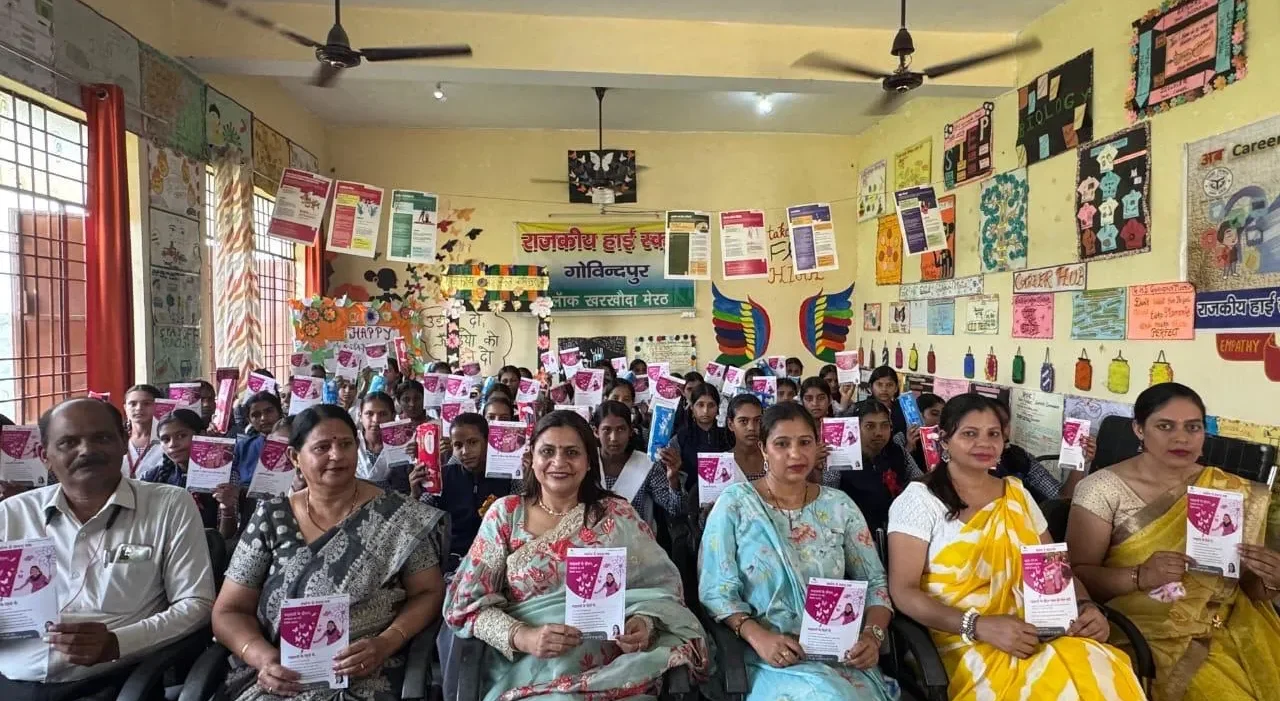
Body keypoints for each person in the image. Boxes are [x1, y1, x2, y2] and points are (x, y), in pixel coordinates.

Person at [886, 394, 1144, 700]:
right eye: (970, 433)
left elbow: (1055, 570)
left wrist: (1087, 607)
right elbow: (903, 591)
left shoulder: (1016, 494)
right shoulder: (919, 501)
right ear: (944, 440)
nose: (984, 443)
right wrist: (978, 626)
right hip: (962, 640)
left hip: (1038, 629)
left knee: (1100, 670)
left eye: (993, 434)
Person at [444, 410, 708, 699]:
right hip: (527, 672)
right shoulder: (505, 515)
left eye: (572, 452)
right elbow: (466, 607)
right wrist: (523, 636)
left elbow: (661, 588)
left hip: (615, 673)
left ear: (588, 462)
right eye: (547, 451)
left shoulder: (617, 514)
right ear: (531, 458)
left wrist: (644, 624)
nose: (559, 462)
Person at [212, 404, 447, 701]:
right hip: (280, 675)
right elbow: (229, 610)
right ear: (294, 457)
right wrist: (263, 658)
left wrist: (386, 643)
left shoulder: (399, 515)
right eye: (322, 447)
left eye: (346, 444)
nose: (337, 455)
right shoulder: (271, 516)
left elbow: (428, 592)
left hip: (370, 670)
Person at [1066, 382, 1280, 701]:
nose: (1181, 438)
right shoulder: (1101, 489)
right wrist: (1139, 576)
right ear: (1139, 429)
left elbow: (1249, 587)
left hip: (1231, 622)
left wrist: (1272, 580)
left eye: (1193, 427)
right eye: (1165, 426)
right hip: (1146, 628)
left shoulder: (1229, 489)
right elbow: (1076, 575)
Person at [0, 398, 214, 701]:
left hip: (111, 679)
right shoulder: (10, 515)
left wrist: (118, 642)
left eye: (101, 438)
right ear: (44, 455)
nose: (86, 450)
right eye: (68, 443)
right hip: (11, 675)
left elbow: (196, 603)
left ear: (124, 441)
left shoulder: (168, 505)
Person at [699, 402, 899, 700]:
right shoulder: (735, 504)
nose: (795, 454)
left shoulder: (839, 505)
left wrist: (872, 635)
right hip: (766, 655)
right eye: (782, 444)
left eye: (805, 442)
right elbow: (716, 592)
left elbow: (876, 584)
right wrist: (758, 636)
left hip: (840, 655)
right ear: (764, 449)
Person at [416, 413, 512, 572]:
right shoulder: (442, 477)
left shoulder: (507, 477)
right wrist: (415, 493)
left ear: (488, 441)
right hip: (453, 560)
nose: (465, 451)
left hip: (497, 560)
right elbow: (419, 519)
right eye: (458, 445)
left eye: (473, 442)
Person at [139, 409, 240, 538]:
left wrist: (227, 508)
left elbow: (226, 538)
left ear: (201, 435)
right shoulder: (151, 478)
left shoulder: (224, 475)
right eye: (166, 439)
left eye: (181, 436)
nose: (173, 444)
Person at [828, 400, 913, 533]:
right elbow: (829, 497)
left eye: (884, 425)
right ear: (855, 427)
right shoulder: (840, 457)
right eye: (870, 426)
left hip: (896, 530)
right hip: (852, 531)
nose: (878, 433)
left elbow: (918, 481)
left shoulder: (898, 452)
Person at [595, 401, 682, 527]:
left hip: (634, 537)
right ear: (596, 432)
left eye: (621, 429)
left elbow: (674, 509)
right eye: (606, 430)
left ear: (631, 431)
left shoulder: (647, 465)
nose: (614, 438)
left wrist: (673, 479)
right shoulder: (586, 463)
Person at [990, 399, 1089, 501]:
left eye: (1004, 423)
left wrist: (1080, 458)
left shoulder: (1020, 457)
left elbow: (1062, 497)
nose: (1000, 430)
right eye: (993, 424)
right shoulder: (980, 467)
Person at [664, 383, 731, 491]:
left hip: (725, 497)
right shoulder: (680, 439)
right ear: (692, 407)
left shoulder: (728, 437)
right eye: (700, 405)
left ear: (717, 408)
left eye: (711, 405)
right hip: (689, 498)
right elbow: (672, 483)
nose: (705, 411)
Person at [355, 391, 412, 494]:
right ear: (360, 416)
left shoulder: (402, 446)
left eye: (383, 414)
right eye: (369, 414)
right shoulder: (351, 443)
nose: (376, 420)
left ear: (393, 416)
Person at [232, 391, 283, 485]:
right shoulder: (243, 447)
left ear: (280, 412)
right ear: (249, 420)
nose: (263, 418)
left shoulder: (294, 443)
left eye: (269, 411)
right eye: (256, 415)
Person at [123, 384, 165, 478]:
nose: (139, 408)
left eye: (146, 403)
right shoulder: (119, 438)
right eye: (133, 404)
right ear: (125, 408)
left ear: (159, 407)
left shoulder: (167, 440)